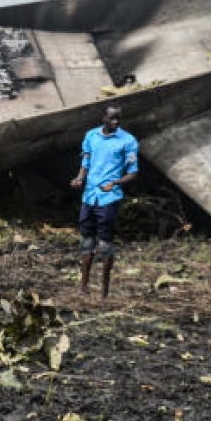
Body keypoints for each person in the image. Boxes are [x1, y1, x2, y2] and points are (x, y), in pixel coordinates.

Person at [70, 103, 138, 300]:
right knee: (86, 240)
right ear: (103, 118)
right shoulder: (91, 136)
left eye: (118, 118)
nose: (115, 122)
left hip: (109, 198)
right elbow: (86, 163)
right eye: (112, 118)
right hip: (89, 196)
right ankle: (83, 287)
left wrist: (115, 182)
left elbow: (133, 173)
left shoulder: (128, 141)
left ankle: (104, 292)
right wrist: (79, 178)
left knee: (105, 244)